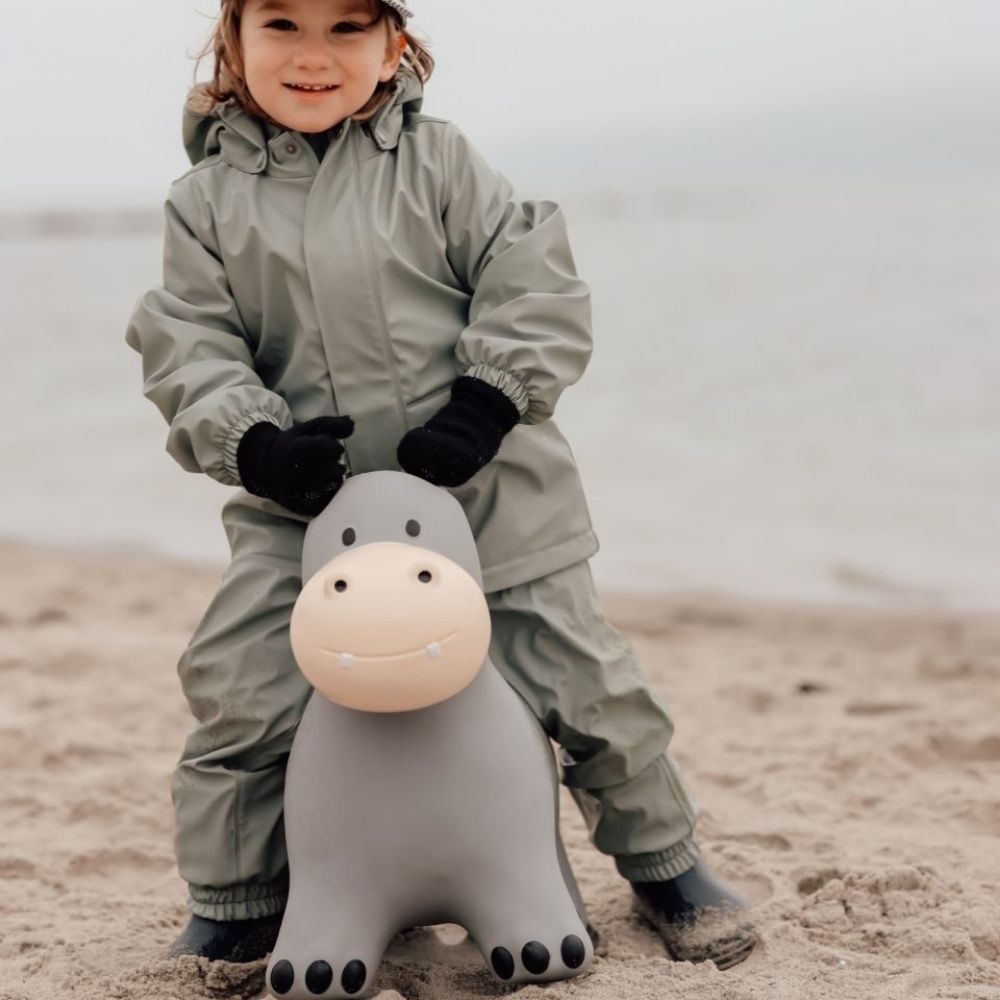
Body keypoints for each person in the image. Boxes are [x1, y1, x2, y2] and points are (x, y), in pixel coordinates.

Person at [125, 0, 757, 971]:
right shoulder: (204, 204)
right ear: (234, 42)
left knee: (585, 684)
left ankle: (665, 865)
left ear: (392, 46)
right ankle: (237, 899)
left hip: (490, 493)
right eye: (282, 24)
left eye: (346, 27)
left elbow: (531, 279)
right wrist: (254, 445)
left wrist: (489, 400)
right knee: (241, 689)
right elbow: (188, 344)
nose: (312, 54)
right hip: (306, 513)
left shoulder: (441, 163)